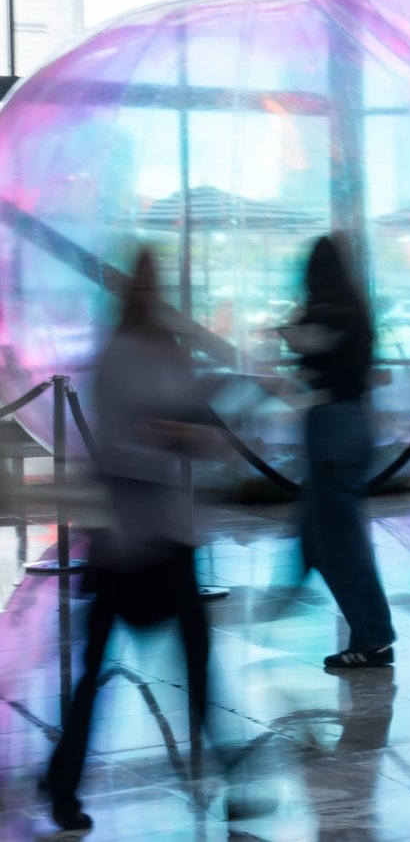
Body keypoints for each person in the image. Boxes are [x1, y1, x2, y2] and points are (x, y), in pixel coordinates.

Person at [43, 251, 222, 833]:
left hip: (154, 535)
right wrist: (172, 438)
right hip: (134, 538)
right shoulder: (126, 355)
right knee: (128, 665)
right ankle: (64, 781)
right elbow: (121, 448)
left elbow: (193, 419)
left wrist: (186, 432)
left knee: (118, 666)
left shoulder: (146, 352)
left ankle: (63, 781)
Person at [286, 234, 397, 672]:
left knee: (340, 543)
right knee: (323, 532)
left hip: (331, 429)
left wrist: (289, 335)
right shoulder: (356, 313)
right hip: (354, 426)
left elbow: (303, 350)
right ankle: (365, 631)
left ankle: (372, 637)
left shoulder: (324, 312)